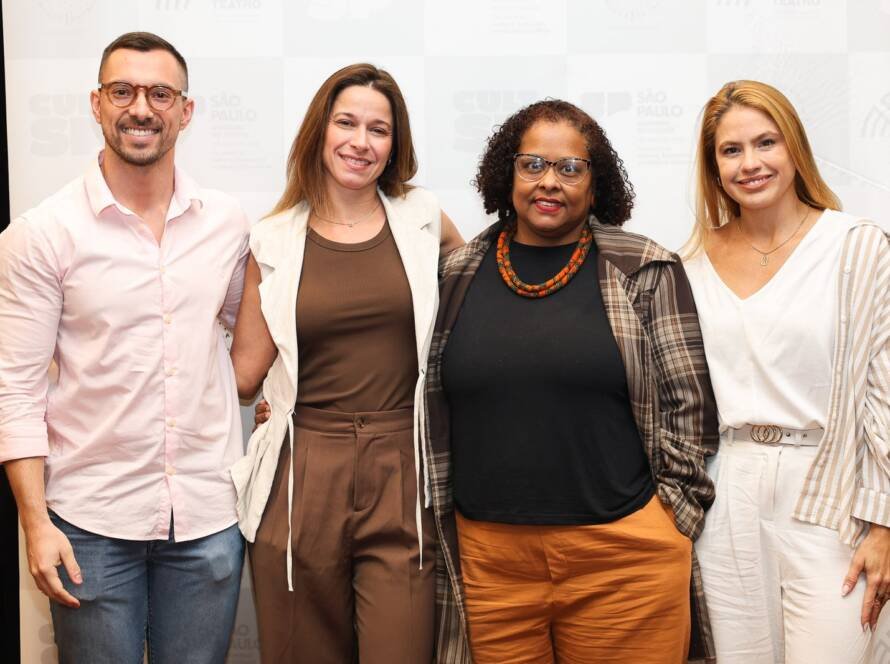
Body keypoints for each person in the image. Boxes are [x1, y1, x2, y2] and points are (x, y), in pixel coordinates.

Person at [423, 99, 719, 664]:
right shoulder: (455, 275)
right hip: (490, 565)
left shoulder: (645, 269)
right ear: (505, 174)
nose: (548, 182)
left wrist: (670, 519)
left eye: (569, 167)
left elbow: (692, 407)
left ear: (594, 179)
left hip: (624, 561)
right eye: (532, 164)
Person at [0, 32, 249, 663]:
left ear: (184, 111)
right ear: (97, 102)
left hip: (206, 518)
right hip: (88, 522)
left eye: (160, 93)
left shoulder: (227, 224)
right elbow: (16, 389)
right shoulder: (41, 235)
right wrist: (35, 521)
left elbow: (248, 338)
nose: (141, 107)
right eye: (123, 91)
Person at [229, 63, 462, 664]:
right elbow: (245, 372)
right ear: (320, 131)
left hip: (402, 468)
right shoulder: (272, 237)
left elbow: (477, 304)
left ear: (394, 145)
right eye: (347, 123)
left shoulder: (423, 217)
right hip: (302, 470)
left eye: (379, 129)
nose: (361, 142)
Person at [683, 79, 890, 663]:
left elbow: (886, 392)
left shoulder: (858, 246)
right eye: (731, 150)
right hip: (726, 492)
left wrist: (885, 526)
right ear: (714, 166)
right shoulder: (689, 263)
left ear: (794, 147)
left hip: (831, 493)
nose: (750, 163)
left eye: (765, 142)